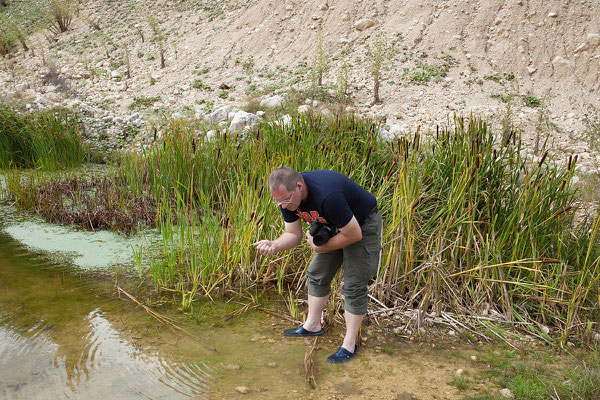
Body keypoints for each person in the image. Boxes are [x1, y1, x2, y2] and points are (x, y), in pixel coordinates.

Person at [253, 167, 382, 363]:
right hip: (333, 225)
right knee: (316, 274)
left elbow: (355, 234)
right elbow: (293, 235)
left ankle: (350, 342)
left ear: (299, 186)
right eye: (278, 201)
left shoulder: (327, 195)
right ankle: (313, 325)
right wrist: (274, 244)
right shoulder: (286, 199)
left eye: (286, 200)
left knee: (354, 285)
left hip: (362, 225)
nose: (284, 206)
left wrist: (320, 248)